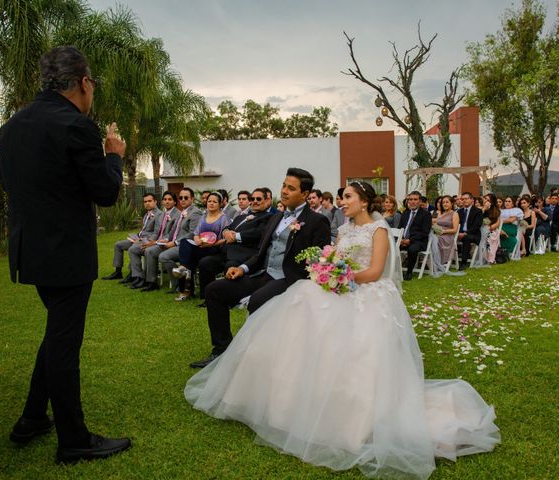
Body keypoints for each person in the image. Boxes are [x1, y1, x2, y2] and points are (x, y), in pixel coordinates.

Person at [185, 181, 500, 478]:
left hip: (366, 293)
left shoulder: (377, 230)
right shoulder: (344, 229)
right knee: (299, 304)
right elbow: (333, 257)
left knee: (345, 337)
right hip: (338, 286)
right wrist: (324, 271)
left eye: (347, 198)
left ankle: (349, 417)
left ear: (363, 201)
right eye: (342, 198)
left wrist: (339, 276)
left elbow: (375, 271)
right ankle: (286, 403)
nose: (342, 203)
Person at [0, 46, 131, 463]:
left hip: (30, 251)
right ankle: (74, 440)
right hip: (66, 254)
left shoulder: (11, 128)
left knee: (56, 333)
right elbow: (106, 192)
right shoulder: (77, 126)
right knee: (64, 344)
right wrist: (113, 154)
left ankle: (33, 417)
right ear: (84, 83)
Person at [190, 168, 331, 368]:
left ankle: (252, 357)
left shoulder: (318, 221)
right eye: (283, 185)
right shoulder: (276, 217)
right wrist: (242, 268)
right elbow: (261, 253)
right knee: (214, 290)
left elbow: (319, 261)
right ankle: (221, 350)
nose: (284, 191)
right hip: (262, 274)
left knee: (257, 300)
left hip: (289, 279)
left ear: (305, 194)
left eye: (291, 188)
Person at [195, 189, 274, 307]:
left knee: (230, 265)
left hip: (244, 254)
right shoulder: (241, 217)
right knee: (205, 262)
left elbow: (258, 233)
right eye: (252, 199)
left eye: (259, 199)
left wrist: (236, 236)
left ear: (267, 201)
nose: (255, 201)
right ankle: (208, 298)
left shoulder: (269, 217)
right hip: (226, 252)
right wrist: (226, 232)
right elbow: (227, 227)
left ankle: (229, 299)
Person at [172, 192, 231, 301]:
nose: (211, 204)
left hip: (215, 248)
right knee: (185, 242)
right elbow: (196, 233)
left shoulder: (224, 218)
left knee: (189, 258)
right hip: (201, 246)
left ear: (220, 204)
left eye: (214, 202)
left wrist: (213, 243)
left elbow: (225, 238)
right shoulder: (203, 216)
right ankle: (184, 270)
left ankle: (185, 287)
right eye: (209, 201)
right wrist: (197, 239)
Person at [102, 193, 163, 283]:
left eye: (149, 201)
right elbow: (144, 230)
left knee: (133, 248)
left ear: (155, 202)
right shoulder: (147, 214)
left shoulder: (159, 215)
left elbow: (156, 233)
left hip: (148, 242)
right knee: (118, 244)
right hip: (139, 239)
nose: (147, 203)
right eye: (145, 201)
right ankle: (118, 272)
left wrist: (144, 240)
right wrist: (136, 236)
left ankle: (136, 275)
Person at [157, 187, 202, 292]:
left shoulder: (195, 212)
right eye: (181, 197)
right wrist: (166, 239)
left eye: (186, 197)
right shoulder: (182, 211)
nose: (183, 200)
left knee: (163, 256)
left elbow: (192, 233)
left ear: (192, 199)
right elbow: (174, 229)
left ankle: (179, 283)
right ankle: (147, 280)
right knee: (152, 250)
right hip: (173, 243)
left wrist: (175, 243)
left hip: (186, 245)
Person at [137, 191, 181, 292]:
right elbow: (157, 231)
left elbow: (172, 234)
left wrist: (156, 242)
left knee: (150, 251)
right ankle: (148, 280)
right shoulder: (161, 214)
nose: (167, 202)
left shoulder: (178, 214)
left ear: (175, 202)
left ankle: (152, 282)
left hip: (169, 243)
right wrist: (151, 241)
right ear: (162, 202)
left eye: (170, 199)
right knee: (147, 248)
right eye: (165, 199)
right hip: (159, 241)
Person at [399, 191, 432, 280]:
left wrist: (410, 240)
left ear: (420, 201)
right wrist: (400, 239)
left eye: (415, 199)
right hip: (403, 240)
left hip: (418, 241)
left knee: (412, 249)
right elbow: (400, 229)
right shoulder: (405, 213)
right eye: (410, 199)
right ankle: (396, 270)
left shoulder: (426, 214)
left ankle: (409, 272)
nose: (412, 201)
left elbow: (425, 232)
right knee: (390, 247)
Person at [457, 192, 483, 270]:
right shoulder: (459, 211)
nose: (464, 200)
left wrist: (465, 233)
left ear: (472, 200)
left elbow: (476, 226)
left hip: (473, 234)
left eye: (466, 199)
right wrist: (458, 233)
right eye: (463, 199)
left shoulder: (477, 211)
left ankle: (463, 262)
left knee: (466, 238)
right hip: (460, 233)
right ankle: (448, 260)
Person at [436, 195, 460, 265]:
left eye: (447, 202)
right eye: (443, 202)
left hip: (447, 236)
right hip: (437, 234)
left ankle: (436, 261)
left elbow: (455, 230)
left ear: (451, 203)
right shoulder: (440, 213)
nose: (445, 204)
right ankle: (431, 260)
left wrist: (443, 231)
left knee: (435, 239)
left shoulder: (455, 214)